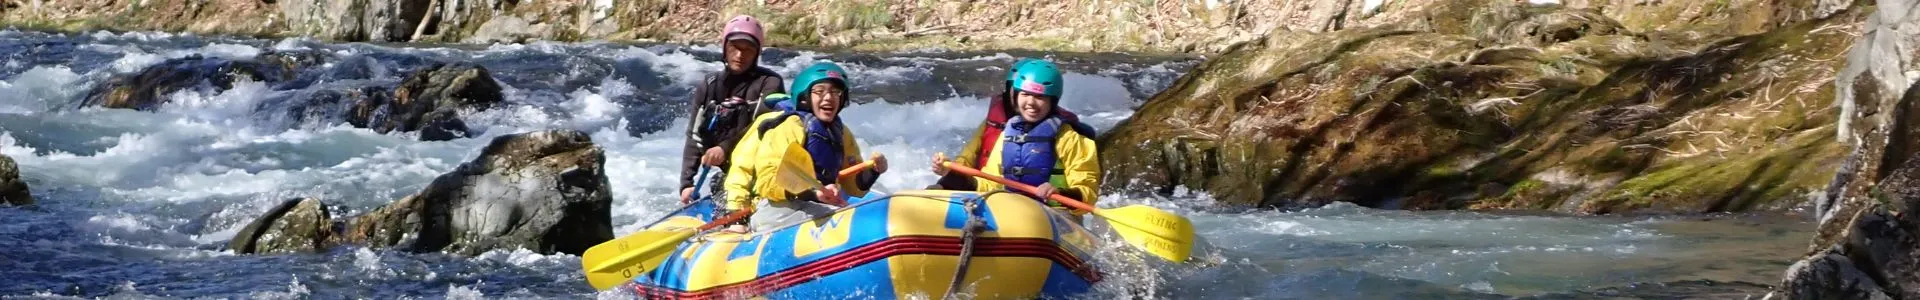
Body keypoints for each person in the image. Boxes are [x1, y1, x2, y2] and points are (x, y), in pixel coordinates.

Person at [721, 62, 888, 232]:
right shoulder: (789, 125)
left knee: (855, 215)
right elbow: (769, 182)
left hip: (814, 204)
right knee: (843, 222)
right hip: (774, 207)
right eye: (819, 91)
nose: (829, 97)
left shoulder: (841, 132)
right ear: (804, 97)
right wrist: (815, 192)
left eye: (835, 92)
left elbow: (853, 188)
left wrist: (873, 171)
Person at [932, 59, 1099, 221]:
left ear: (1052, 101)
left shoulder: (1071, 139)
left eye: (1040, 97)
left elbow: (1087, 192)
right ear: (1016, 96)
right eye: (1025, 94)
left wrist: (1060, 193)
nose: (1031, 103)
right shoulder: (1008, 134)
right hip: (1013, 211)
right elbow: (990, 183)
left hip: (1057, 215)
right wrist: (951, 175)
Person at [679, 15, 787, 204]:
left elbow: (760, 127)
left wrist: (723, 148)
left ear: (757, 53)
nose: (740, 55)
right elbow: (694, 135)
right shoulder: (709, 85)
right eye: (735, 47)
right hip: (731, 173)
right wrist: (686, 183)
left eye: (748, 49)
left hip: (762, 169)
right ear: (725, 48)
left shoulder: (770, 83)